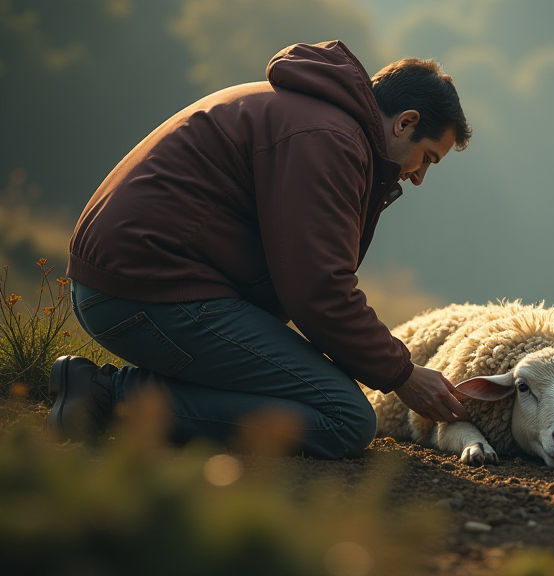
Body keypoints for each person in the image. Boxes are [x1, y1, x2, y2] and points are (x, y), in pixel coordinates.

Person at [46, 40, 471, 458]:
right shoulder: (328, 139)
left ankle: (112, 391)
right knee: (345, 417)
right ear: (405, 122)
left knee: (319, 390)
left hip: (135, 284)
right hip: (145, 293)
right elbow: (319, 290)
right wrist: (402, 373)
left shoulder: (313, 118)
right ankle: (106, 396)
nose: (418, 177)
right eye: (427, 157)